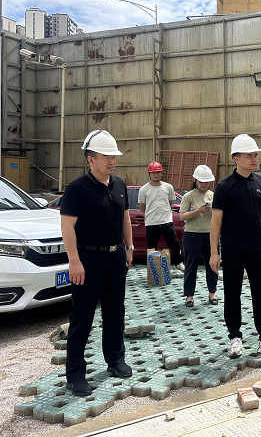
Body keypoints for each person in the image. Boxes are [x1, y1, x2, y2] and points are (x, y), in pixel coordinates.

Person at [60, 130, 134, 397]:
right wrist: (74, 261)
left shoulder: (119, 185)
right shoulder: (77, 189)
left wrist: (129, 247)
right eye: (106, 156)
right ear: (90, 159)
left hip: (115, 257)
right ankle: (75, 374)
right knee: (83, 317)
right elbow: (67, 227)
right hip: (88, 259)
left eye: (114, 156)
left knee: (115, 311)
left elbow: (125, 217)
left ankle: (115, 359)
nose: (112, 161)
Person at [209, 134, 261, 360]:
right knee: (232, 295)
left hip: (258, 249)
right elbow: (215, 221)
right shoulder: (224, 186)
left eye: (255, 155)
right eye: (249, 155)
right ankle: (235, 337)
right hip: (232, 251)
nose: (254, 159)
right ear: (236, 158)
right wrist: (214, 253)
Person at [180, 165, 218, 308]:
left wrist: (213, 210)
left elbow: (221, 214)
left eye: (206, 181)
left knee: (213, 265)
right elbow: (182, 216)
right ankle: (189, 296)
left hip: (210, 234)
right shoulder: (188, 196)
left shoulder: (214, 195)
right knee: (191, 265)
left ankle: (212, 293)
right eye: (201, 181)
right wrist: (198, 211)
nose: (203, 184)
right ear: (195, 180)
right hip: (192, 234)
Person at [138, 161, 185, 272]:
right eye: (153, 172)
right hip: (151, 223)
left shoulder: (168, 187)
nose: (156, 174)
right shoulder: (144, 189)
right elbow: (142, 207)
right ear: (149, 174)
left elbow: (169, 202)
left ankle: (178, 263)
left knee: (174, 244)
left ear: (161, 173)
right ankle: (153, 270)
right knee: (152, 248)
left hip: (166, 221)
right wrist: (151, 214)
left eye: (158, 172)